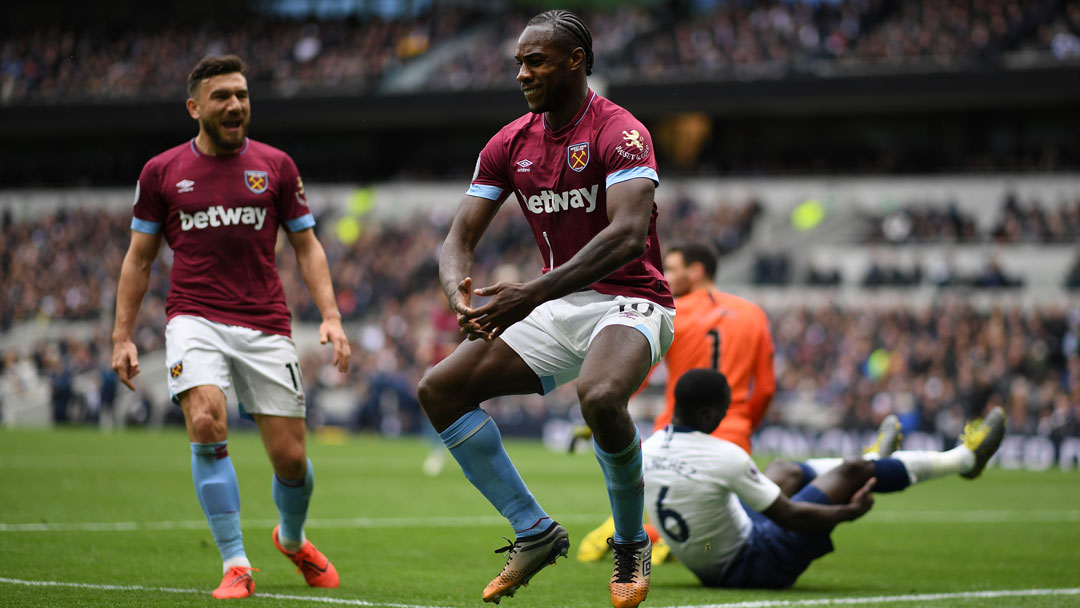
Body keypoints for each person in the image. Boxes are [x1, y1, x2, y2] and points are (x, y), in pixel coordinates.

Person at [416, 10, 674, 608]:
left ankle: (631, 542)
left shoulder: (621, 132)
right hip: (559, 302)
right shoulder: (509, 141)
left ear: (576, 61)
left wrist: (530, 293)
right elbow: (457, 238)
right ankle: (534, 531)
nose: (522, 73)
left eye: (536, 61)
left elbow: (628, 236)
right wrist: (457, 290)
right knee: (440, 390)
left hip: (634, 300)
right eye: (518, 63)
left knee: (601, 396)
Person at [111, 55, 351, 599]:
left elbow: (307, 246)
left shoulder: (277, 166)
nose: (235, 105)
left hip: (266, 324)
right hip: (193, 318)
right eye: (221, 96)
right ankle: (235, 562)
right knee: (204, 417)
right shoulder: (162, 172)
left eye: (241, 94)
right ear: (195, 107)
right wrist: (121, 336)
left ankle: (291, 539)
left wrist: (332, 317)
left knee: (290, 459)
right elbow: (139, 259)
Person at [642, 369, 1006, 589]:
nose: (725, 417)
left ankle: (873, 457)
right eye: (723, 410)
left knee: (784, 469)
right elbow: (791, 517)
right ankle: (964, 459)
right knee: (851, 473)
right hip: (753, 563)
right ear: (707, 414)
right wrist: (848, 512)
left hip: (712, 556)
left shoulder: (649, 448)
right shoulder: (724, 455)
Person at [578, 241, 776, 561]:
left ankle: (629, 533)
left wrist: (602, 413)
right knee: (729, 516)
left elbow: (636, 375)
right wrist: (741, 424)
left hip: (674, 432)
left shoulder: (672, 312)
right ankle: (665, 540)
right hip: (733, 432)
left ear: (696, 272)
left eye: (671, 268)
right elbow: (765, 388)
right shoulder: (753, 314)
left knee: (664, 501)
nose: (664, 275)